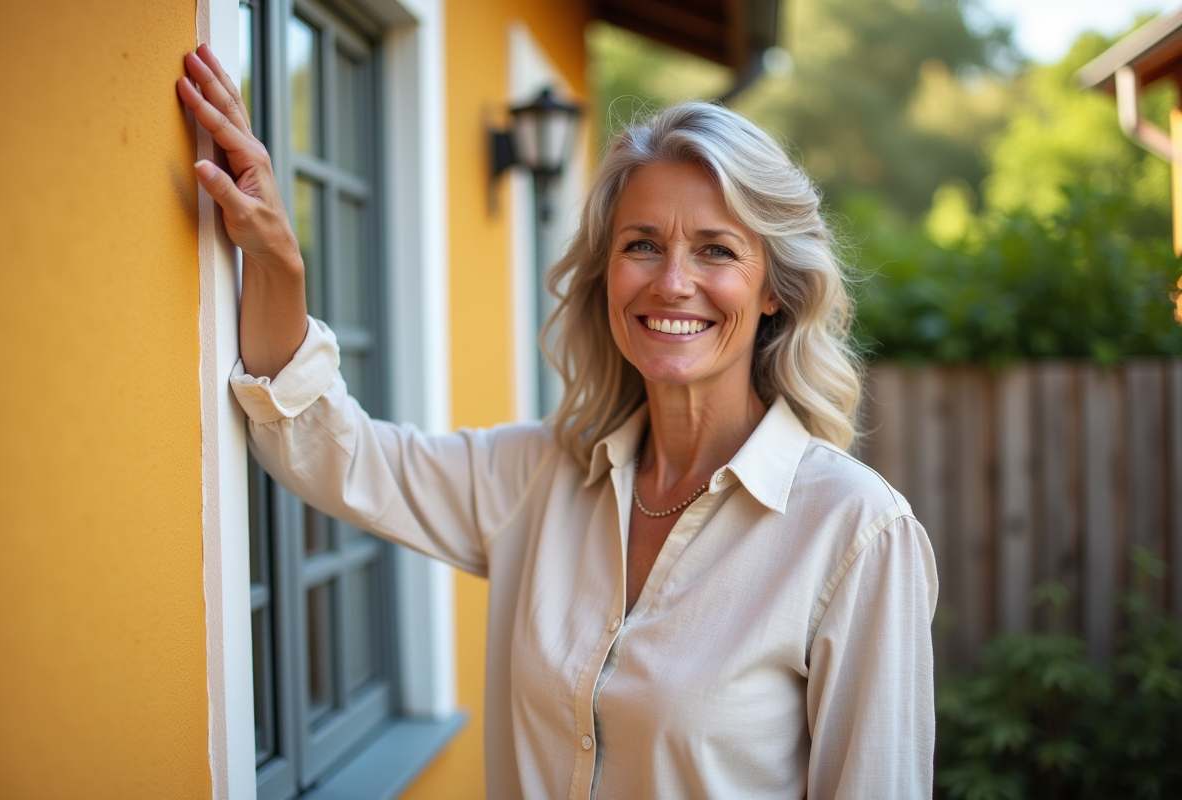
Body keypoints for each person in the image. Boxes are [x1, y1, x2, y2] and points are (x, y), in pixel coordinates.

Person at [178, 44, 938, 799]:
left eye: (716, 251)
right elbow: (332, 452)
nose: (674, 283)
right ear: (606, 271)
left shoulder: (856, 531)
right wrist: (277, 262)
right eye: (643, 245)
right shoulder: (541, 475)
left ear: (773, 288)